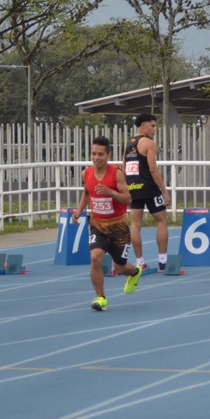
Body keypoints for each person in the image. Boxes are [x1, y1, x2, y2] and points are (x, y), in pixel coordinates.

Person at [74, 136, 142, 311]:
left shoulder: (116, 173)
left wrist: (110, 192)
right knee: (95, 257)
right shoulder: (86, 173)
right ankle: (100, 298)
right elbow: (87, 192)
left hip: (118, 226)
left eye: (100, 154)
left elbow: (128, 198)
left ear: (108, 155)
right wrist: (79, 210)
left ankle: (135, 272)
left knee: (120, 268)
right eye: (93, 154)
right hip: (98, 224)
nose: (96, 158)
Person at [123, 113, 170, 272]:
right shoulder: (149, 143)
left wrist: (127, 187)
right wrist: (164, 191)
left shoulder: (128, 144)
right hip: (149, 189)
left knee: (135, 226)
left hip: (133, 189)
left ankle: (140, 262)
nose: (155, 129)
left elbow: (124, 168)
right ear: (143, 125)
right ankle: (163, 262)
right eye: (152, 126)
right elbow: (153, 169)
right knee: (161, 221)